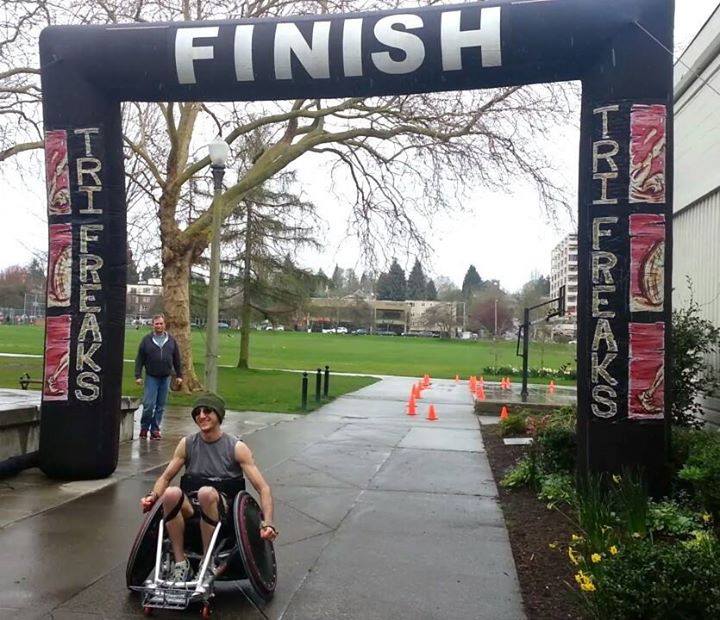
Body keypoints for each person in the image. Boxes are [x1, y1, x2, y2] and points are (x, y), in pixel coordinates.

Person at [139, 393, 278, 583]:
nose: (201, 416)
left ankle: (207, 560)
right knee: (171, 493)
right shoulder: (187, 444)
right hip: (192, 506)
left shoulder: (236, 447)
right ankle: (181, 563)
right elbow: (165, 478)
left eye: (207, 411)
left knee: (206, 493)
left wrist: (267, 522)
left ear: (218, 415)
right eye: (197, 412)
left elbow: (263, 489)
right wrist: (152, 496)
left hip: (223, 508)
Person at [135, 314, 182, 439]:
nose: (159, 326)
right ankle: (144, 427)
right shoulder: (146, 340)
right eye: (157, 324)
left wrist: (179, 375)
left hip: (165, 377)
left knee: (161, 405)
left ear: (164, 324)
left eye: (161, 323)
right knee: (149, 405)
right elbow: (139, 359)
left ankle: (155, 429)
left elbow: (177, 359)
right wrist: (138, 375)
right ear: (153, 325)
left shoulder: (171, 340)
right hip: (151, 377)